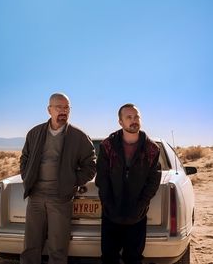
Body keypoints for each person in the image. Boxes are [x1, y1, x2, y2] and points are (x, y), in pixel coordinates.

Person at [20, 92, 96, 264]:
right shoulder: (35, 133)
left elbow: (91, 166)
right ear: (49, 110)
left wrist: (71, 181)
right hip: (36, 197)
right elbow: (24, 158)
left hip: (60, 197)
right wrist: (27, 176)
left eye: (66, 107)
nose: (63, 111)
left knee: (58, 247)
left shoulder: (79, 137)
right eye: (58, 107)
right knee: (31, 245)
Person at [95, 103, 161, 264]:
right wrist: (107, 203)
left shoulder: (152, 148)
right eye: (129, 117)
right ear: (120, 122)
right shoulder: (107, 146)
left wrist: (141, 204)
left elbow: (153, 180)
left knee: (134, 258)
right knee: (109, 258)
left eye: (137, 116)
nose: (134, 120)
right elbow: (102, 178)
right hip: (111, 212)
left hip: (137, 214)